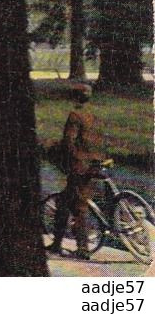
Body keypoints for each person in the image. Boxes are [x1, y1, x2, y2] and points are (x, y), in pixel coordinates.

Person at [50, 84, 105, 260]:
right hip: (93, 164)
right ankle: (57, 243)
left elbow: (69, 141)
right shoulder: (94, 115)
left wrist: (68, 160)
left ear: (74, 97)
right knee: (65, 202)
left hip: (79, 167)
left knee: (78, 206)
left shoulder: (75, 115)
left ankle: (82, 248)